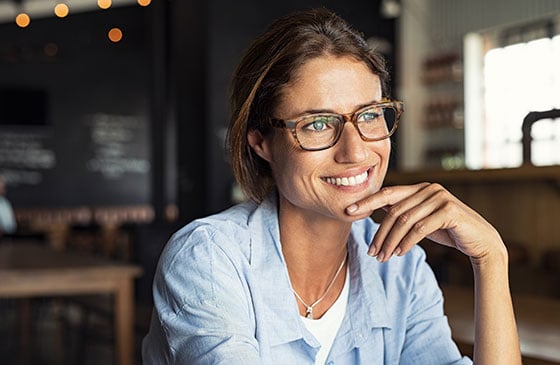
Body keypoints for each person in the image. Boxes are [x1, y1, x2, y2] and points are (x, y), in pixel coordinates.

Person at [142, 8, 520, 364]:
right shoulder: (209, 259)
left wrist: (490, 258)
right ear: (260, 141)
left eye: (370, 115)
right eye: (318, 124)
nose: (355, 151)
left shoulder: (400, 268)